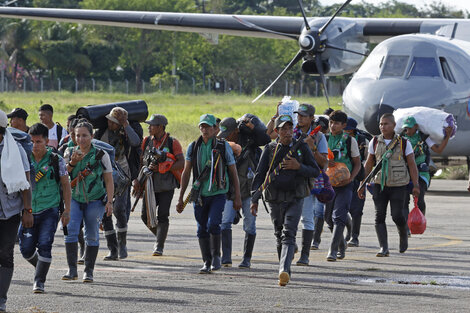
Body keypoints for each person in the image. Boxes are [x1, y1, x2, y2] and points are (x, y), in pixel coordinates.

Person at [251, 115, 319, 286]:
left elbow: (315, 171)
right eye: (283, 129)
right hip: (274, 198)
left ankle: (283, 270)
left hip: (295, 197)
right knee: (278, 234)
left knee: (289, 233)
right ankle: (286, 269)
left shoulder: (301, 146)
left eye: (290, 128)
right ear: (277, 131)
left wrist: (299, 166)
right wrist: (254, 199)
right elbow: (260, 175)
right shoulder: (270, 149)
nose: (287, 132)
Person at [176, 114, 242, 274]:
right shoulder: (194, 146)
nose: (204, 130)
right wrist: (180, 197)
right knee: (201, 229)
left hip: (218, 192)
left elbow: (233, 172)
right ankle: (206, 261)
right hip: (199, 194)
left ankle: (216, 257)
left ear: (215, 129)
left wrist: (237, 197)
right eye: (202, 127)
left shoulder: (222, 146)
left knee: (213, 224)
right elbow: (186, 172)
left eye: (208, 127)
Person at [18, 123, 71, 293]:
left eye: (39, 141)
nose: (35, 145)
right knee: (26, 249)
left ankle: (39, 281)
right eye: (32, 141)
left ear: (47, 141)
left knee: (45, 245)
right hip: (29, 210)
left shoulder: (56, 160)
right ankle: (41, 265)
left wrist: (67, 210)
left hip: (50, 209)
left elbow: (66, 185)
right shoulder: (24, 159)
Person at [358, 113, 420, 257]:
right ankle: (383, 248)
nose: (382, 127)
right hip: (379, 184)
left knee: (397, 215)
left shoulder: (404, 143)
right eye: (381, 124)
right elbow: (368, 164)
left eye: (386, 124)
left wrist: (416, 185)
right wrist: (362, 183)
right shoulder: (374, 141)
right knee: (379, 216)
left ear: (393, 126)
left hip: (399, 184)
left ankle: (403, 232)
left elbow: (412, 165)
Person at [62, 120, 114, 283]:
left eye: (85, 135)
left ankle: (88, 271)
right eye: (78, 135)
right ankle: (72, 270)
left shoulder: (101, 154)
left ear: (92, 136)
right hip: (74, 199)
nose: (81, 139)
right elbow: (63, 176)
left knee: (91, 234)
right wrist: (73, 163)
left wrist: (109, 202)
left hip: (95, 200)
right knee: (70, 231)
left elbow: (109, 180)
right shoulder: (69, 152)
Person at [217, 114, 270, 268]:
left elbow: (266, 140)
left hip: (248, 188)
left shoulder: (250, 140)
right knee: (225, 222)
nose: (226, 137)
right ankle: (226, 258)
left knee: (250, 225)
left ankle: (246, 259)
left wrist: (253, 129)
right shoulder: (224, 144)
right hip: (229, 188)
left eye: (228, 134)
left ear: (235, 131)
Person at [95, 107, 141, 260]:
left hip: (123, 176)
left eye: (114, 122)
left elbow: (136, 142)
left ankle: (122, 243)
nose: (110, 123)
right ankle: (112, 249)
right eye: (109, 120)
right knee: (105, 214)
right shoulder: (102, 133)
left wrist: (125, 124)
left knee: (120, 209)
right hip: (103, 176)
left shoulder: (128, 133)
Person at [285, 104, 328, 266]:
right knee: (285, 217)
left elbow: (324, 163)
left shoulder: (319, 137)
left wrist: (313, 147)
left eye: (304, 115)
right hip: (289, 181)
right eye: (298, 115)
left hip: (308, 181)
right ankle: (291, 243)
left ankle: (305, 255)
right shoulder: (289, 132)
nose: (300, 118)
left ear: (312, 118)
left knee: (307, 218)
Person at [135, 114, 184, 256]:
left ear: (161, 127)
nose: (149, 127)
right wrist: (138, 180)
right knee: (145, 216)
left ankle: (159, 245)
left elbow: (181, 163)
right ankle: (160, 236)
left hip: (166, 186)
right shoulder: (146, 142)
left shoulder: (172, 142)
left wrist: (164, 167)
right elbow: (141, 162)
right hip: (148, 185)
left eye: (152, 125)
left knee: (163, 215)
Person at [0, 109, 32, 312]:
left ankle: (1, 299)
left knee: (5, 254)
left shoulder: (16, 150)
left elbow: (25, 182)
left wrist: (28, 210)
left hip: (10, 211)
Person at [325, 110, 361, 261]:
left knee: (338, 216)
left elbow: (357, 164)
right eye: (331, 123)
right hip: (328, 184)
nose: (333, 126)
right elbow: (318, 160)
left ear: (344, 125)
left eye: (337, 123)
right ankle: (341, 243)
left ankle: (332, 251)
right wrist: (326, 162)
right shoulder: (324, 139)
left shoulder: (349, 140)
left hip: (345, 184)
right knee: (328, 218)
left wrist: (351, 179)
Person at [402, 116, 452, 216]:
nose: (407, 131)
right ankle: (405, 226)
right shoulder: (401, 138)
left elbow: (438, 150)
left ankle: (420, 220)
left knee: (419, 198)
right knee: (404, 200)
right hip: (405, 173)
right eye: (406, 128)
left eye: (410, 128)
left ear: (416, 126)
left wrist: (447, 136)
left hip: (421, 172)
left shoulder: (423, 138)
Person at [344, 117, 369, 247]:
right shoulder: (336, 139)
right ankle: (348, 229)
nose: (345, 132)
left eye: (348, 130)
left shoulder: (363, 141)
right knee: (340, 209)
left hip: (358, 178)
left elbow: (369, 160)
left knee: (357, 209)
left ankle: (354, 236)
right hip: (341, 178)